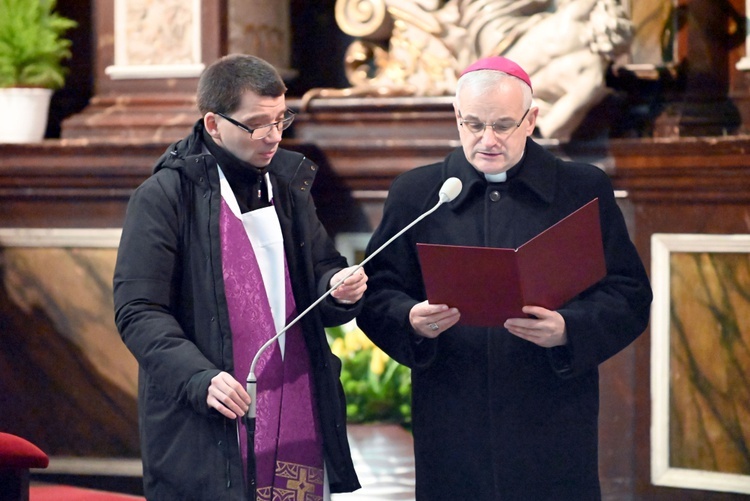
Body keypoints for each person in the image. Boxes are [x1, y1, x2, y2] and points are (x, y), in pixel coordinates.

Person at [357, 56, 652, 500]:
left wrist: (569, 330)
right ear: (456, 118)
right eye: (473, 125)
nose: (487, 140)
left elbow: (628, 295)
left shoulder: (580, 189)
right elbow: (377, 291)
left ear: (531, 120)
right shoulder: (417, 193)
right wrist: (410, 318)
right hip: (452, 415)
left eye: (503, 125)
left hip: (552, 416)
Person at [113, 54, 367, 500]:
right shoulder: (165, 196)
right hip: (207, 411)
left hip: (295, 398)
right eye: (258, 124)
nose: (274, 136)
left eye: (281, 119)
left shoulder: (288, 185)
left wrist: (337, 289)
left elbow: (320, 272)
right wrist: (199, 377)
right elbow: (138, 310)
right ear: (213, 123)